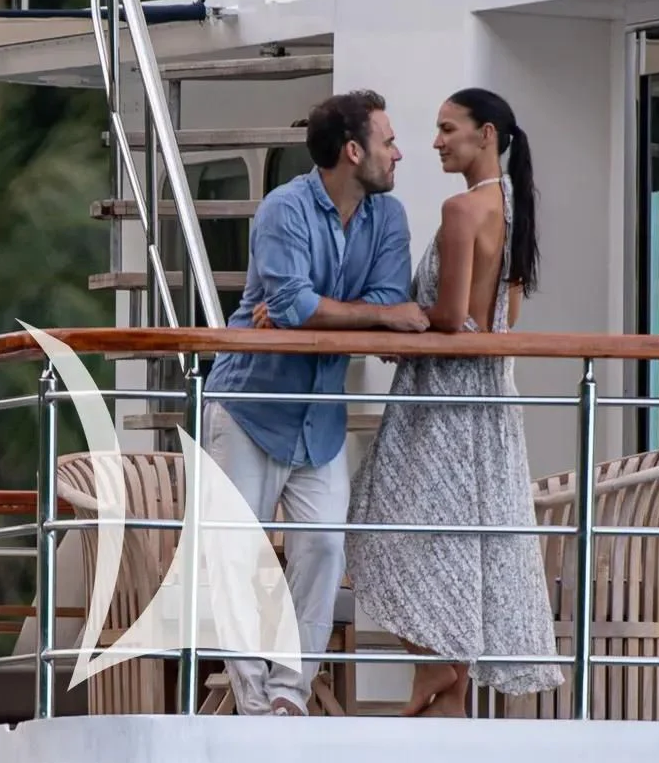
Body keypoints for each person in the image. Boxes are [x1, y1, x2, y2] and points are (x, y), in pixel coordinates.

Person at [204, 89, 430, 713]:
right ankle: (252, 699)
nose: (398, 153)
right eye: (388, 142)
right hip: (251, 405)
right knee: (233, 554)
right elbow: (297, 306)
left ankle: (289, 695)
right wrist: (372, 320)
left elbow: (359, 304)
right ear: (354, 151)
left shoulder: (389, 219)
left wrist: (327, 318)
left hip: (318, 418)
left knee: (325, 546)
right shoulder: (284, 208)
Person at [349, 87, 566, 715]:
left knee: (391, 519)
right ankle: (443, 684)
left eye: (448, 129)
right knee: (457, 537)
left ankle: (436, 663)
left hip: (440, 397)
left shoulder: (461, 209)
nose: (437, 142)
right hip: (491, 393)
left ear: (487, 134)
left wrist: (395, 322)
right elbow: (502, 318)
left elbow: (450, 316)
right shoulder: (514, 208)